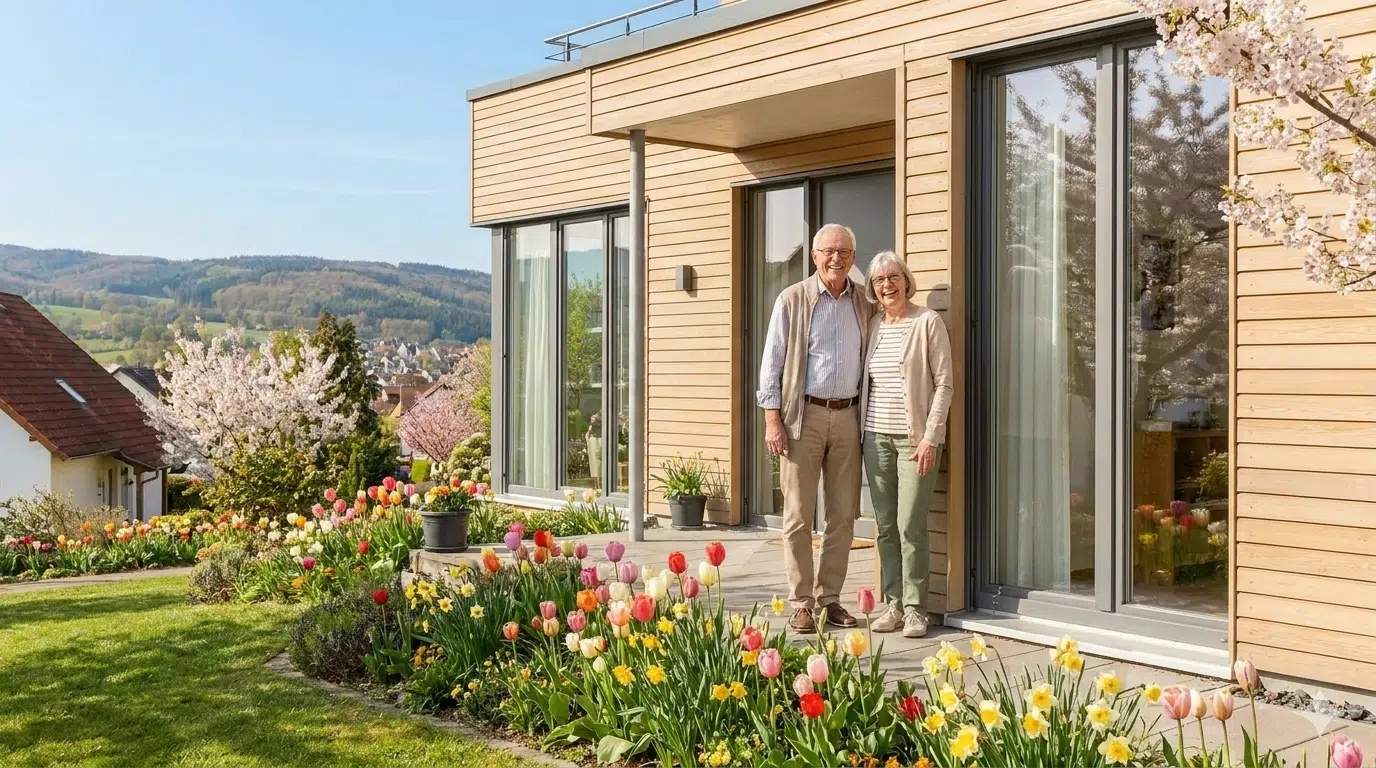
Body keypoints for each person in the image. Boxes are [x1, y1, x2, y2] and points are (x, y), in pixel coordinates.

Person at [757, 223, 874, 632]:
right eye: (829, 251)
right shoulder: (792, 300)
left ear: (853, 258)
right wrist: (773, 419)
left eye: (844, 251)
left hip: (849, 417)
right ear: (815, 256)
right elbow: (771, 364)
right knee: (798, 517)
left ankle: (830, 599)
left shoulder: (864, 302)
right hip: (802, 418)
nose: (836, 258)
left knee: (842, 516)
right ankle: (802, 601)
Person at [859, 251, 953, 638]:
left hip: (914, 441)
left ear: (906, 280)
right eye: (879, 280)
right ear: (872, 288)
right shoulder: (875, 325)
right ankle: (893, 604)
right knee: (884, 527)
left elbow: (944, 383)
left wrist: (931, 436)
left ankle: (917, 609)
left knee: (910, 525)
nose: (887, 285)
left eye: (893, 277)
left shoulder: (927, 322)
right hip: (874, 438)